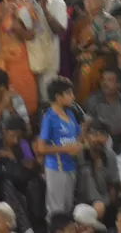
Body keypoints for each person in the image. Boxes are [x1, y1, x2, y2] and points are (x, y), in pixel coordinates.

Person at [36, 77, 83, 221]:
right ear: (58, 97)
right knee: (56, 210)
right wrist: (65, 149)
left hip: (71, 166)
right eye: (69, 93)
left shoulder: (69, 114)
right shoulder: (49, 118)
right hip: (56, 167)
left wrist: (79, 144)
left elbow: (78, 136)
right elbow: (41, 148)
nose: (73, 96)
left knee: (68, 207)